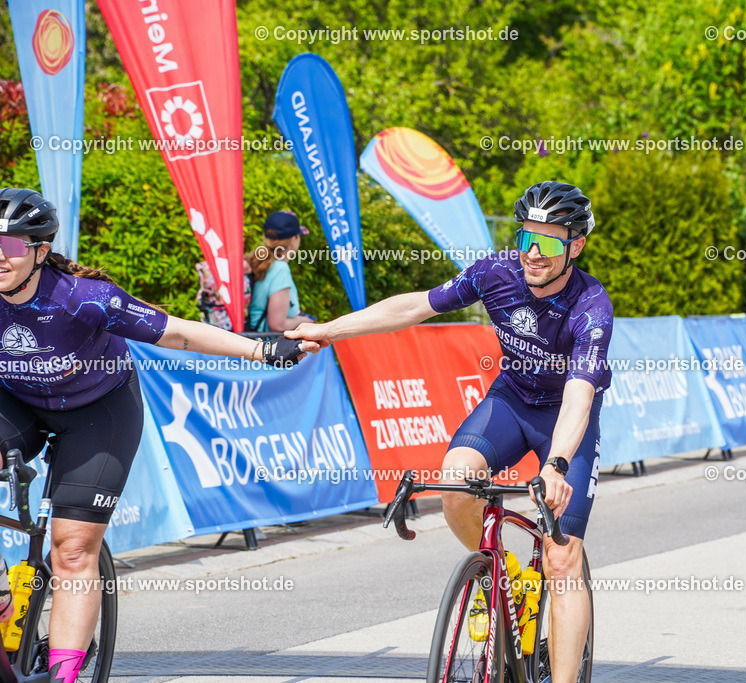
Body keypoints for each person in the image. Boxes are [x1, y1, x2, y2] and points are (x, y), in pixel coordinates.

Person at [289, 181, 612, 683]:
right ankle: (498, 577)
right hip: (511, 402)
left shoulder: (591, 304)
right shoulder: (495, 272)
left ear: (576, 245)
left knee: (562, 556)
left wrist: (557, 466)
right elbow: (413, 307)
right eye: (526, 237)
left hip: (564, 421)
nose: (532, 253)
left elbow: (580, 394)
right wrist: (329, 330)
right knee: (456, 482)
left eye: (549, 242)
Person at [0, 188, 317, 683]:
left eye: (15, 245)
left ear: (40, 252)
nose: (2, 255)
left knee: (72, 549)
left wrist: (260, 351)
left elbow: (178, 332)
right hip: (17, 402)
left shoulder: (85, 299)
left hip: (96, 413)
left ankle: (62, 676)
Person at [247, 210, 315, 332]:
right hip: (263, 345)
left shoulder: (256, 260)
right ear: (294, 238)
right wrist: (305, 321)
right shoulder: (279, 269)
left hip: (248, 341)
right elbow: (277, 324)